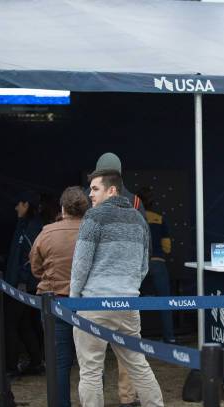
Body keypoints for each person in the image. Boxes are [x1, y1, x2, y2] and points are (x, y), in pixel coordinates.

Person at [70, 170, 163, 407]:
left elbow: (81, 264)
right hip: (128, 304)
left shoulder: (93, 217)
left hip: (94, 304)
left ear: (112, 190)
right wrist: (129, 287)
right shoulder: (139, 219)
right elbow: (144, 265)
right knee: (138, 365)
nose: (89, 193)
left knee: (90, 370)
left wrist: (73, 299)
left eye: (95, 188)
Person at [31, 186, 90, 407]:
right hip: (88, 303)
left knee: (59, 363)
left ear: (63, 208)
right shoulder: (93, 231)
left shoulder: (47, 232)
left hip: (55, 302)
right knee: (92, 363)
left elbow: (36, 268)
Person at [92, 152, 143, 407]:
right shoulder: (134, 201)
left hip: (96, 288)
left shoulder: (91, 197)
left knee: (93, 350)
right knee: (128, 350)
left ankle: (95, 398)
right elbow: (146, 244)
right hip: (126, 287)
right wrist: (137, 279)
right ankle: (128, 398)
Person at [4, 190, 44, 376]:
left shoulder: (32, 227)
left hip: (21, 287)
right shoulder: (23, 225)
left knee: (11, 324)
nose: (15, 208)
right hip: (17, 285)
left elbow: (31, 259)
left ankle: (11, 367)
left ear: (26, 204)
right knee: (24, 324)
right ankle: (36, 361)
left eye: (18, 204)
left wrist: (21, 281)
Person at [136, 187, 176, 343]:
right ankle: (170, 338)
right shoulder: (159, 218)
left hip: (139, 265)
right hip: (158, 263)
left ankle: (135, 337)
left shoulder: (134, 218)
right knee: (165, 302)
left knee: (133, 302)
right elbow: (167, 246)